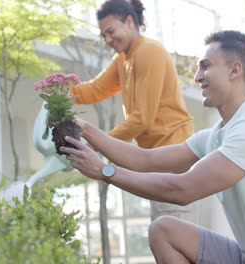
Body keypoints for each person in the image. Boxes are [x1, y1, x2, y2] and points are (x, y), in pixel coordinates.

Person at [62, 30, 245, 263]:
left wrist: (105, 171)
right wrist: (84, 129)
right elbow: (146, 160)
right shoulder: (215, 135)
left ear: (234, 70)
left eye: (205, 66)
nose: (197, 77)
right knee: (164, 230)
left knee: (166, 225)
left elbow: (184, 189)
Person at [70, 0, 194, 220]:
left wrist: (99, 142)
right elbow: (95, 90)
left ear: (129, 22)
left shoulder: (149, 51)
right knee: (163, 229)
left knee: (173, 230)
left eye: (110, 31)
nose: (107, 40)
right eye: (103, 36)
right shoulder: (123, 59)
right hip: (154, 160)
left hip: (173, 156)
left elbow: (142, 119)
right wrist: (60, 91)